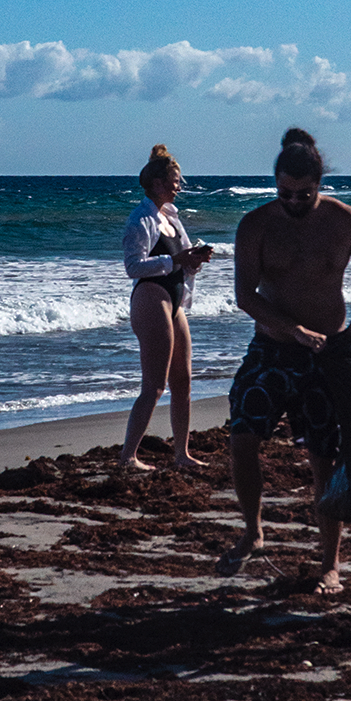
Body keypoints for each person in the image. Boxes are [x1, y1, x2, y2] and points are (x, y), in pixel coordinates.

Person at [222, 128, 351, 592]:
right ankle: (253, 531)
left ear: (320, 184)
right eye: (284, 193)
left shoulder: (344, 221)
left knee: (324, 458)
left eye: (304, 194)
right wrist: (290, 328)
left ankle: (330, 564)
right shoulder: (255, 225)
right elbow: (244, 296)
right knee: (242, 436)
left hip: (328, 354)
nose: (293, 201)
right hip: (273, 348)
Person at [120, 144, 213, 471]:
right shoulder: (141, 218)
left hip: (175, 299)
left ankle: (181, 454)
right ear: (158, 183)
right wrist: (174, 260)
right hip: (150, 297)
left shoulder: (171, 217)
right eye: (175, 181)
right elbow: (133, 266)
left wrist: (194, 261)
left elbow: (182, 263)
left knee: (183, 381)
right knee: (155, 385)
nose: (179, 187)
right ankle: (129, 456)